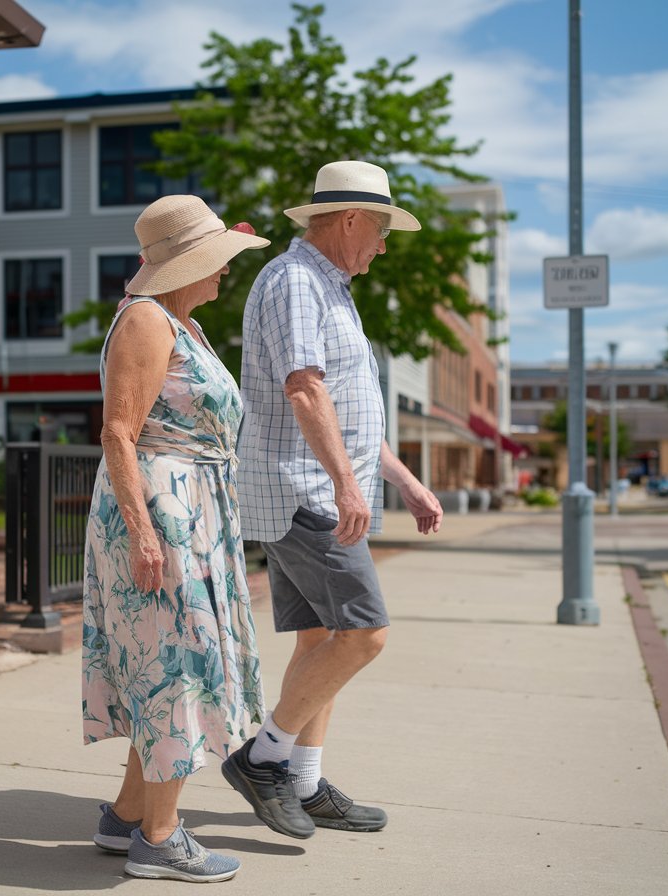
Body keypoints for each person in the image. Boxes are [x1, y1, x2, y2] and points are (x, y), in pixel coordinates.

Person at [224, 160, 444, 838]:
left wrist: (402, 480)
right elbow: (305, 390)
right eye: (380, 232)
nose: (382, 247)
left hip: (315, 485)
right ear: (350, 220)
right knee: (364, 634)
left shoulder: (328, 284)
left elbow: (348, 407)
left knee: (322, 639)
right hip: (304, 491)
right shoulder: (296, 281)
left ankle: (306, 779)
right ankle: (264, 761)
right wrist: (348, 485)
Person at [82, 195, 270, 882]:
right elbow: (118, 433)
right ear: (190, 263)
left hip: (189, 507)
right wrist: (144, 534)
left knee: (167, 663)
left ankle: (129, 814)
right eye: (218, 260)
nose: (224, 272)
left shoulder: (178, 322)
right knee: (179, 665)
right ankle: (159, 839)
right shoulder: (146, 320)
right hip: (162, 508)